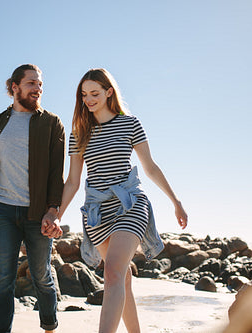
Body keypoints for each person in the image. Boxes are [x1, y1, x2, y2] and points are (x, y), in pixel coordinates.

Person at [58, 68, 188, 333]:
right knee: (122, 278)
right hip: (97, 213)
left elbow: (150, 167)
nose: (89, 99)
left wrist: (175, 201)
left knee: (113, 274)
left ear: (109, 92)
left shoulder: (130, 123)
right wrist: (56, 215)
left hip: (130, 204)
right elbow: (72, 181)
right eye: (84, 95)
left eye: (95, 93)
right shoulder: (79, 133)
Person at [0, 64, 65, 333]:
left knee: (42, 276)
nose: (38, 88)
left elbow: (57, 174)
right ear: (14, 87)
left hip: (37, 213)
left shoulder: (52, 123)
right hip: (1, 210)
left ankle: (49, 327)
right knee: (3, 280)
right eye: (32, 83)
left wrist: (53, 211)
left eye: (40, 84)